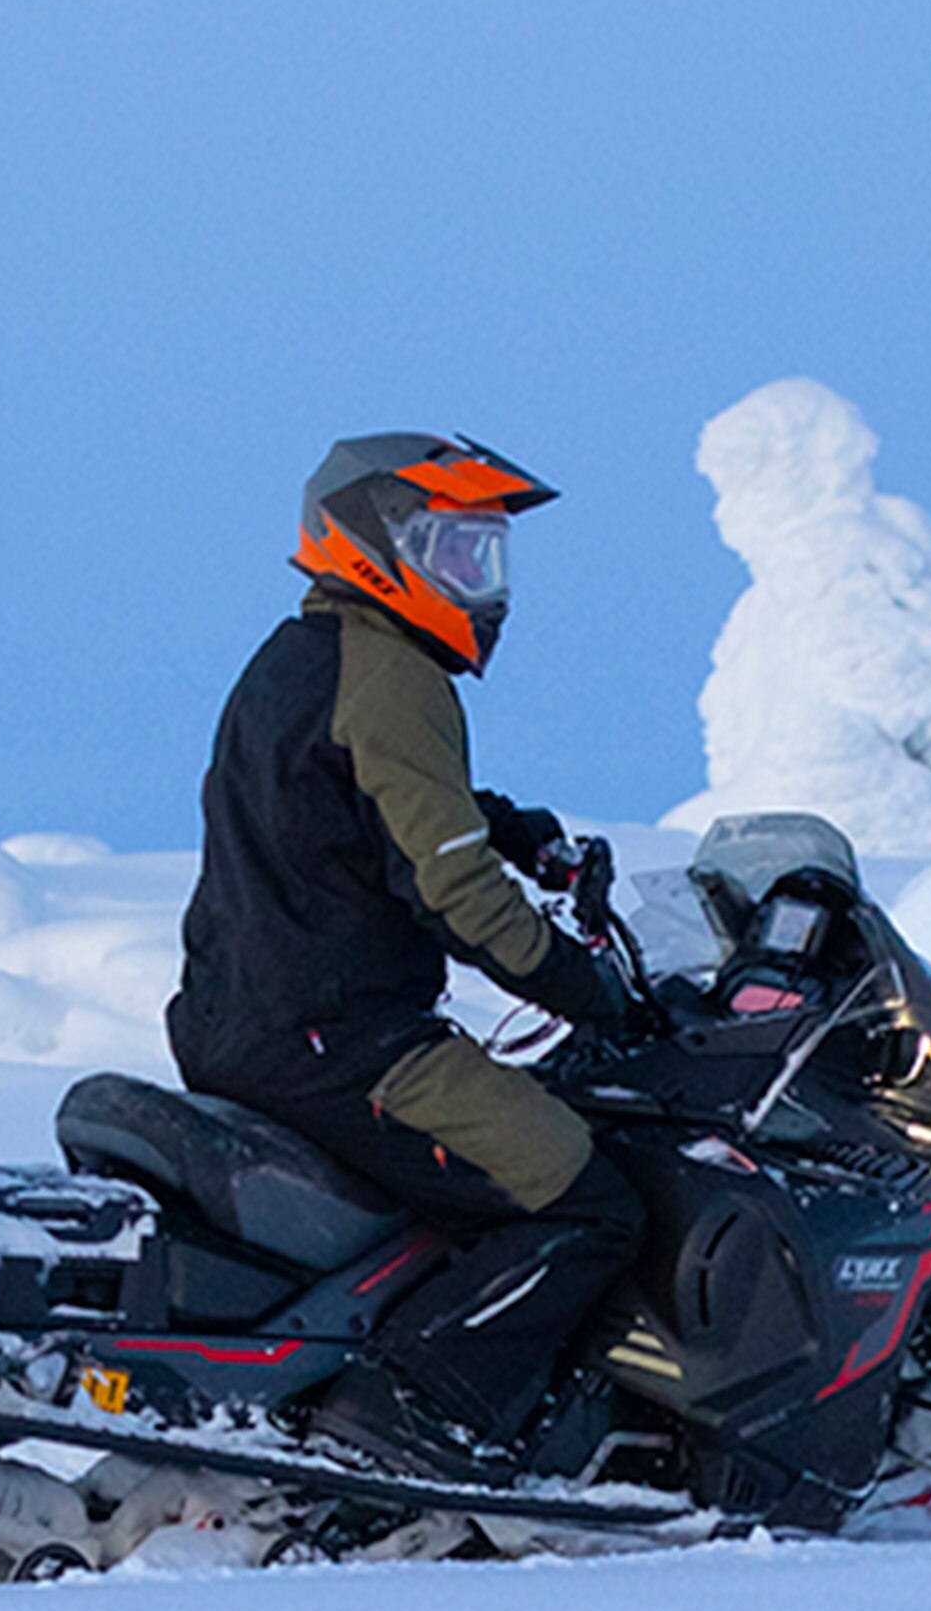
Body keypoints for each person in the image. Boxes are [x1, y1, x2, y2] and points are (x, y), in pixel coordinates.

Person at [165, 432, 662, 1478]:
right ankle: (411, 1412)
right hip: (345, 1039)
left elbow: (350, 808)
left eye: (486, 556)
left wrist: (503, 822)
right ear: (371, 542)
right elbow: (455, 894)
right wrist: (591, 990)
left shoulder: (302, 657)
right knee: (588, 1194)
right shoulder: (391, 672)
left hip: (250, 1019)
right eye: (453, 551)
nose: (481, 587)